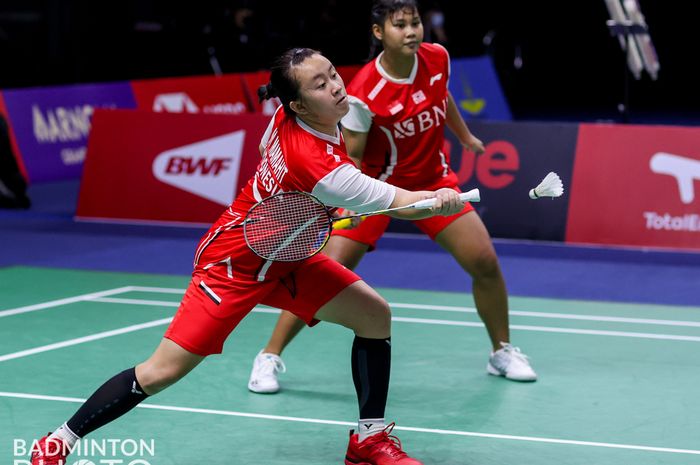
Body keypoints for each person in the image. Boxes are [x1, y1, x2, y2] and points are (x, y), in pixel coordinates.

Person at [29, 48, 466, 465]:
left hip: (288, 255)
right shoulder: (319, 164)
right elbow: (399, 201)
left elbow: (265, 155)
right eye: (320, 84)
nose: (336, 86)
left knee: (374, 315)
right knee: (160, 372)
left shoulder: (285, 117)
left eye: (333, 73)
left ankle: (368, 439)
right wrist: (439, 198)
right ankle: (58, 440)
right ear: (298, 104)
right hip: (233, 263)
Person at [248, 0, 537, 395]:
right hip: (377, 193)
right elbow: (352, 153)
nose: (412, 31)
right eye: (399, 25)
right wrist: (348, 199)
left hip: (435, 184)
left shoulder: (437, 57)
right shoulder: (364, 92)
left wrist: (464, 135)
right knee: (326, 273)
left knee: (484, 261)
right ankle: (269, 355)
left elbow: (442, 96)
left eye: (415, 22)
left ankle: (501, 351)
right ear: (379, 33)